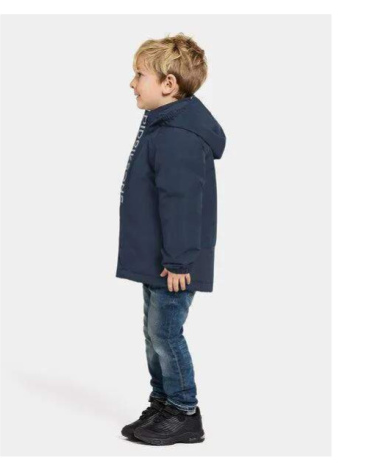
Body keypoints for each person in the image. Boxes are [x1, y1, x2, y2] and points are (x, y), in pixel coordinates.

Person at [117, 33, 226, 446]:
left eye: (139, 75)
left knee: (165, 333)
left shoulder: (178, 134)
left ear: (168, 84)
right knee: (154, 333)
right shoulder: (164, 124)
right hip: (160, 257)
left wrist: (179, 261)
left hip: (174, 263)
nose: (132, 83)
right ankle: (163, 402)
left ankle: (184, 412)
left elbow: (182, 203)